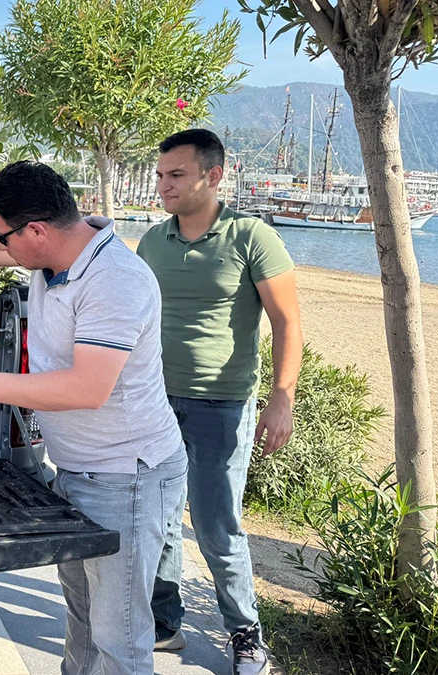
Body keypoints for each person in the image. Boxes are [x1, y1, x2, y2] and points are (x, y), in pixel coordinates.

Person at [0, 161, 187, 674]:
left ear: (36, 231)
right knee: (83, 621)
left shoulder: (115, 280)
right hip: (77, 468)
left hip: (128, 476)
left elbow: (88, 388)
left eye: (4, 235)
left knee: (119, 637)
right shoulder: (53, 250)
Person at [138, 129, 302, 675]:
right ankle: (164, 624)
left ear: (213, 175)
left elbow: (287, 323)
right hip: (155, 401)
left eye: (176, 175)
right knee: (158, 519)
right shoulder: (153, 241)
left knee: (216, 526)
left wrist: (282, 398)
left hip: (222, 404)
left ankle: (246, 633)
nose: (164, 185)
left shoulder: (252, 237)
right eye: (160, 175)